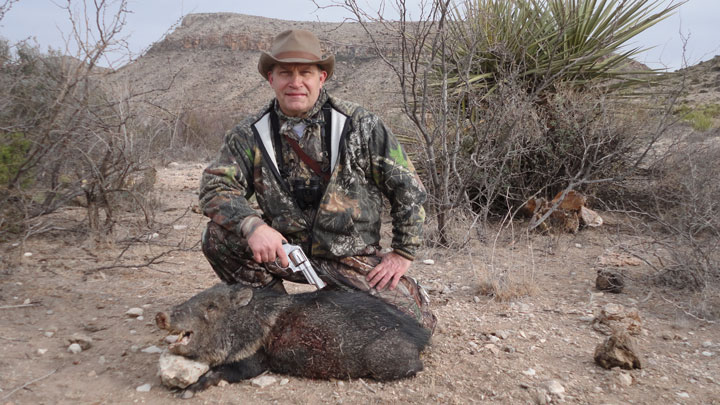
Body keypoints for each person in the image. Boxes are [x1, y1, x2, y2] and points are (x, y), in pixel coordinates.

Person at [199, 29, 435, 332]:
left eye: (305, 72)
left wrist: (403, 253)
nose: (295, 82)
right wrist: (253, 226)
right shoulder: (249, 134)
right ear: (271, 79)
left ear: (321, 77)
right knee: (218, 236)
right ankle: (273, 313)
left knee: (415, 324)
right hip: (285, 254)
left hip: (348, 257)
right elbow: (214, 187)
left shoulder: (361, 125)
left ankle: (330, 301)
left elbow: (408, 188)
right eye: (285, 72)